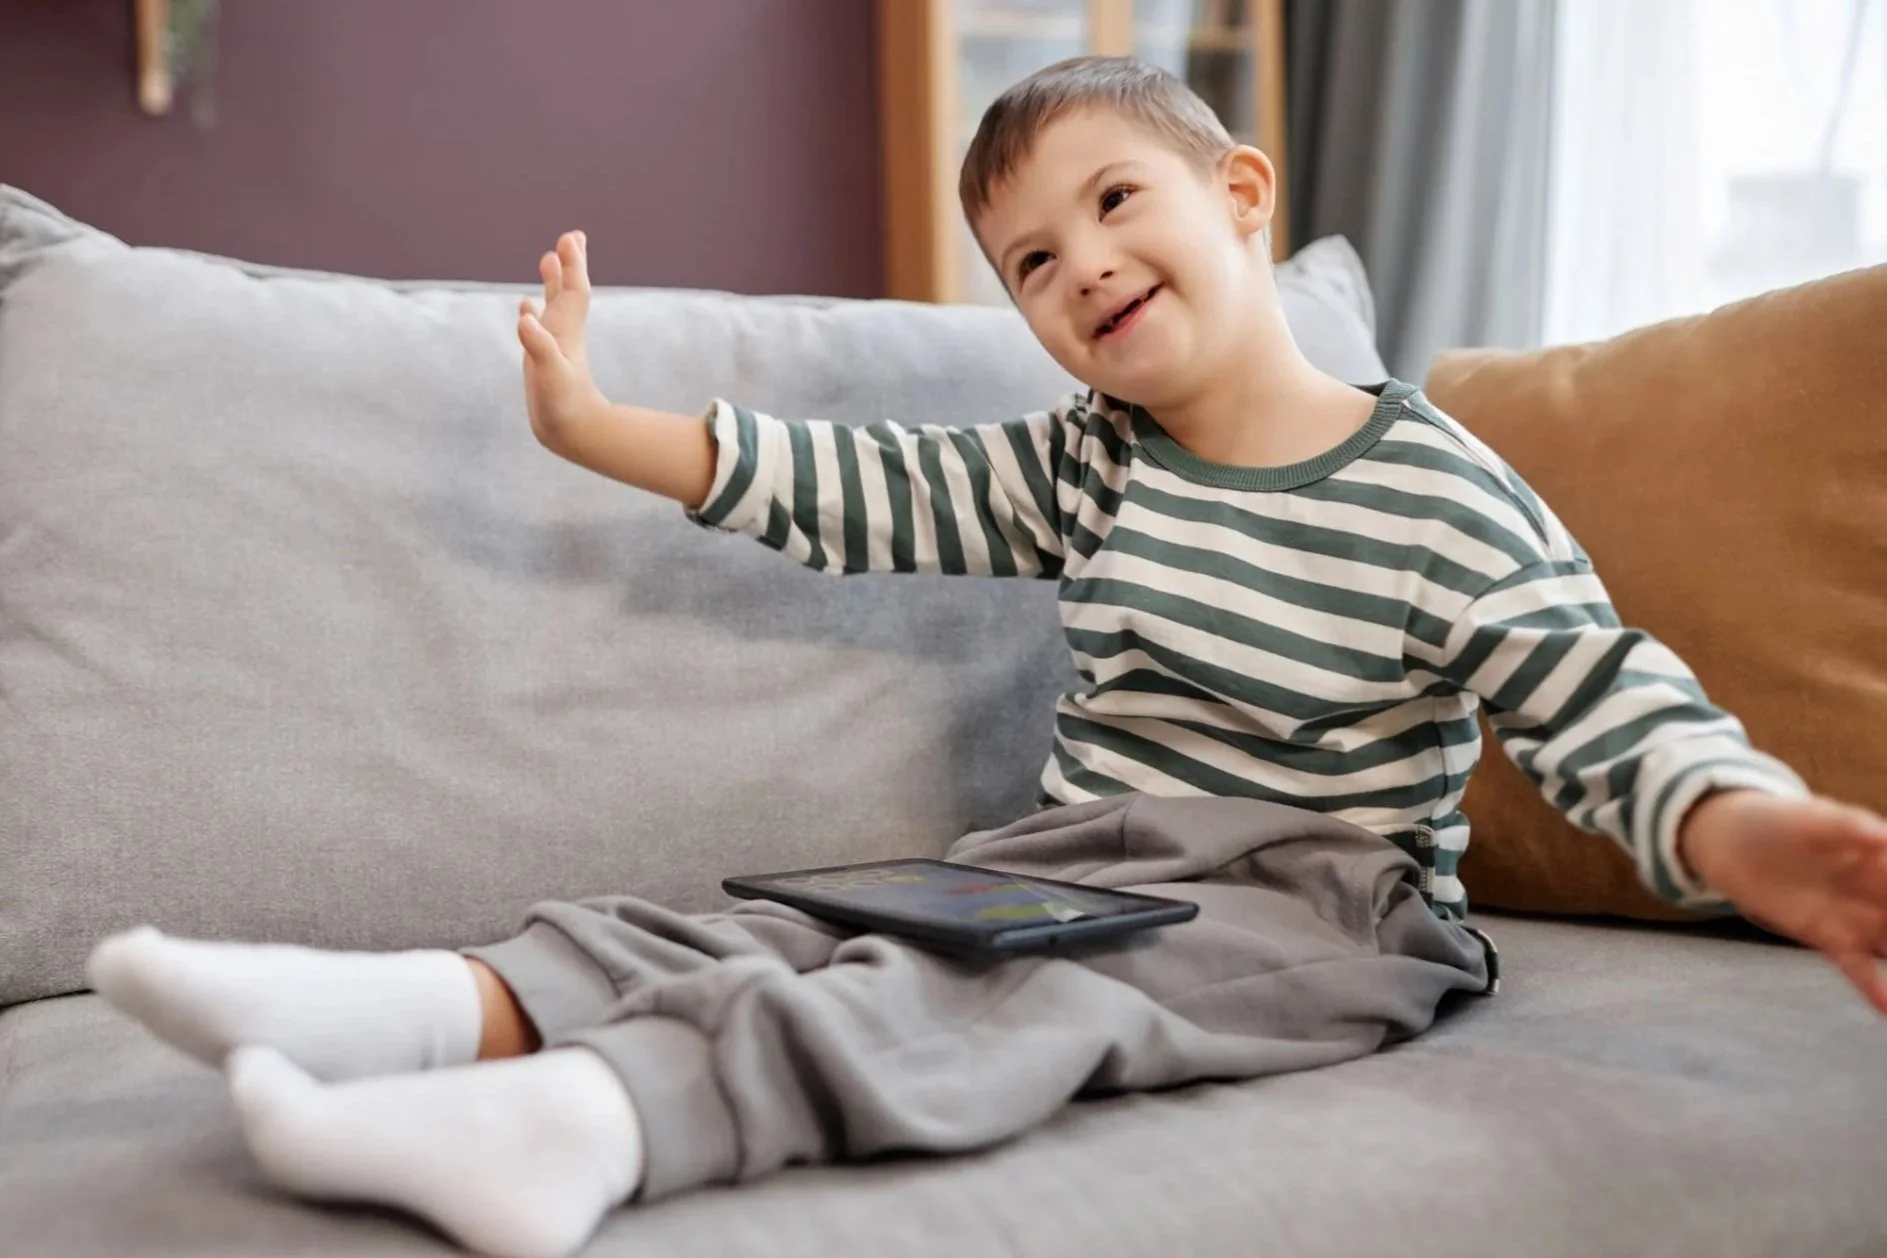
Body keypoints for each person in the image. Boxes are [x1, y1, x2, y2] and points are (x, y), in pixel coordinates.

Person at [85, 56, 1887, 1258]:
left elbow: (1596, 693)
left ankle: (590, 1123)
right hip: (1071, 859)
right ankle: (417, 1009)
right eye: (1029, 258)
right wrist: (594, 427)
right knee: (804, 925)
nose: (1077, 265)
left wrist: (1743, 830)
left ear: (1239, 192)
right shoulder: (1090, 462)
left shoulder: (1434, 491)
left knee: (992, 1004)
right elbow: (858, 488)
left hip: (1322, 899)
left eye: (1114, 203)